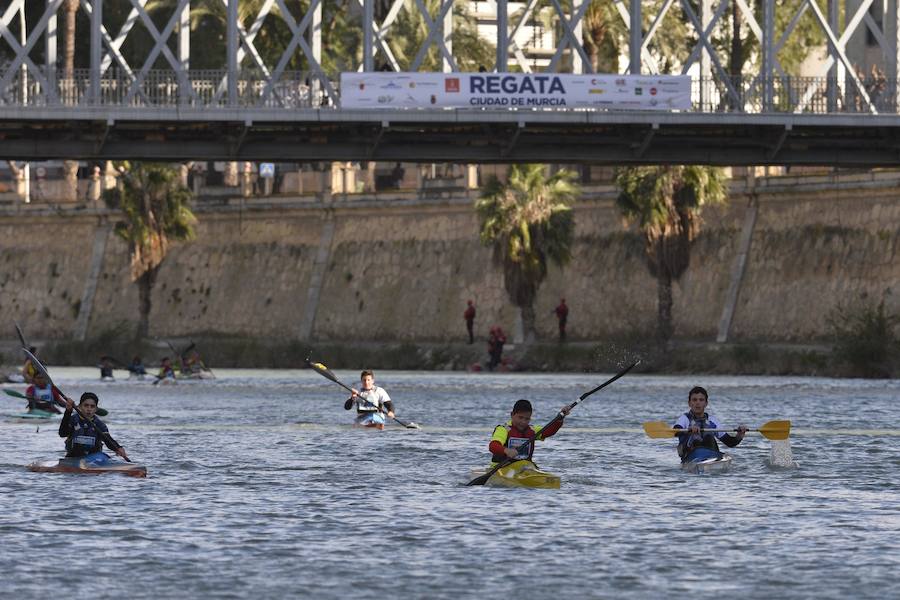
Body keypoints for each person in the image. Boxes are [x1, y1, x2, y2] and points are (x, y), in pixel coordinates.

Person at [673, 386, 747, 462]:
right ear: (689, 403)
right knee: (696, 439)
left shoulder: (712, 420)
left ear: (706, 403)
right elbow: (676, 431)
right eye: (694, 400)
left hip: (710, 456)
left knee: (709, 437)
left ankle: (713, 459)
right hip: (690, 456)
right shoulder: (684, 418)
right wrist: (688, 430)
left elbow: (730, 443)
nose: (698, 403)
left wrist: (739, 435)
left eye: (701, 400)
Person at [488, 399, 571, 465]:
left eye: (527, 419)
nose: (523, 422)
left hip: (524, 468)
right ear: (512, 415)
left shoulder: (532, 430)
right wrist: (507, 451)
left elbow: (549, 431)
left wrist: (560, 418)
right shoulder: (503, 429)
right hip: (501, 468)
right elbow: (493, 446)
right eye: (520, 417)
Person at [58, 392, 129, 461]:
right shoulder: (73, 420)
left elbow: (108, 440)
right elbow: (62, 433)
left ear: (95, 409)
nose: (89, 409)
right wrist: (68, 411)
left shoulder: (100, 425)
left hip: (94, 458)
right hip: (73, 458)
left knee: (104, 456)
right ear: (79, 406)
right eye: (86, 405)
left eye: (92, 406)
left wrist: (118, 448)